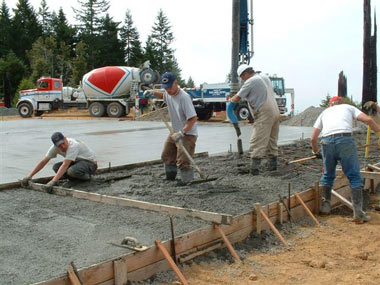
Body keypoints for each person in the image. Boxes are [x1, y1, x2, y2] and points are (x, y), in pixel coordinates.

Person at [311, 96, 380, 223]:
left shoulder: (324, 112)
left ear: (330, 105)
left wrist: (316, 152)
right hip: (345, 141)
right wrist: (379, 133)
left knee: (327, 175)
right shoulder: (348, 107)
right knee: (354, 176)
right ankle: (358, 214)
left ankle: (325, 207)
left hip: (326, 142)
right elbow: (369, 120)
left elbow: (313, 139)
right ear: (341, 103)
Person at [144, 72, 198, 185]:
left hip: (187, 133)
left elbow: (193, 119)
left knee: (183, 160)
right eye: (166, 88)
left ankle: (187, 181)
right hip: (174, 131)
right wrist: (152, 93)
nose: (168, 90)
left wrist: (182, 132)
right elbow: (162, 95)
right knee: (167, 154)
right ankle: (170, 177)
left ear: (176, 83)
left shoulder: (184, 98)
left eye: (170, 87)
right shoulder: (168, 93)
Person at [230, 64, 280, 175]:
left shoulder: (251, 81)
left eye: (242, 77)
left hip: (265, 112)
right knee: (272, 139)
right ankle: (273, 166)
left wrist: (230, 101)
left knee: (258, 140)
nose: (242, 80)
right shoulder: (264, 77)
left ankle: (254, 170)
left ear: (245, 74)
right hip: (275, 111)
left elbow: (237, 98)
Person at [20, 132, 97, 191]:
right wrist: (29, 176)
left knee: (72, 171)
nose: (62, 147)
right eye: (59, 145)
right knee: (56, 167)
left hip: (90, 163)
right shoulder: (54, 148)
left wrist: (53, 181)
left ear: (65, 139)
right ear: (55, 145)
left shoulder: (73, 145)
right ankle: (75, 179)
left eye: (63, 143)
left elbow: (65, 165)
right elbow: (43, 162)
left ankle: (86, 178)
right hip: (77, 162)